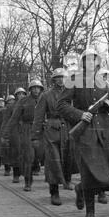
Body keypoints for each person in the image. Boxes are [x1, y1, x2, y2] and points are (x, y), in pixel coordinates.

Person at [57, 49, 109, 217]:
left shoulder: (105, 83)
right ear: (83, 62)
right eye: (87, 60)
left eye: (94, 60)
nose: (91, 62)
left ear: (98, 63)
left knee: (107, 169)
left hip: (105, 133)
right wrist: (79, 114)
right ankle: (90, 213)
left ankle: (81, 189)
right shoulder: (74, 80)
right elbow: (61, 105)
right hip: (85, 133)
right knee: (89, 171)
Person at [32, 68, 77, 205]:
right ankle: (54, 192)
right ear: (54, 80)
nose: (61, 80)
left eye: (63, 77)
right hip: (52, 129)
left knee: (69, 158)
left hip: (69, 127)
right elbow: (39, 116)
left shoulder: (72, 93)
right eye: (58, 77)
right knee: (53, 161)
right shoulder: (46, 95)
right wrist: (35, 136)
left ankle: (67, 181)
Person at [3, 80, 44, 191]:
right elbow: (14, 118)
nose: (36, 90)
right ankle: (28, 182)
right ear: (30, 89)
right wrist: (6, 134)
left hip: (43, 130)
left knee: (46, 156)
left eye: (38, 88)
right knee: (28, 157)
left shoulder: (44, 99)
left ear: (41, 89)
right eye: (33, 88)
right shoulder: (24, 101)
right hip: (27, 130)